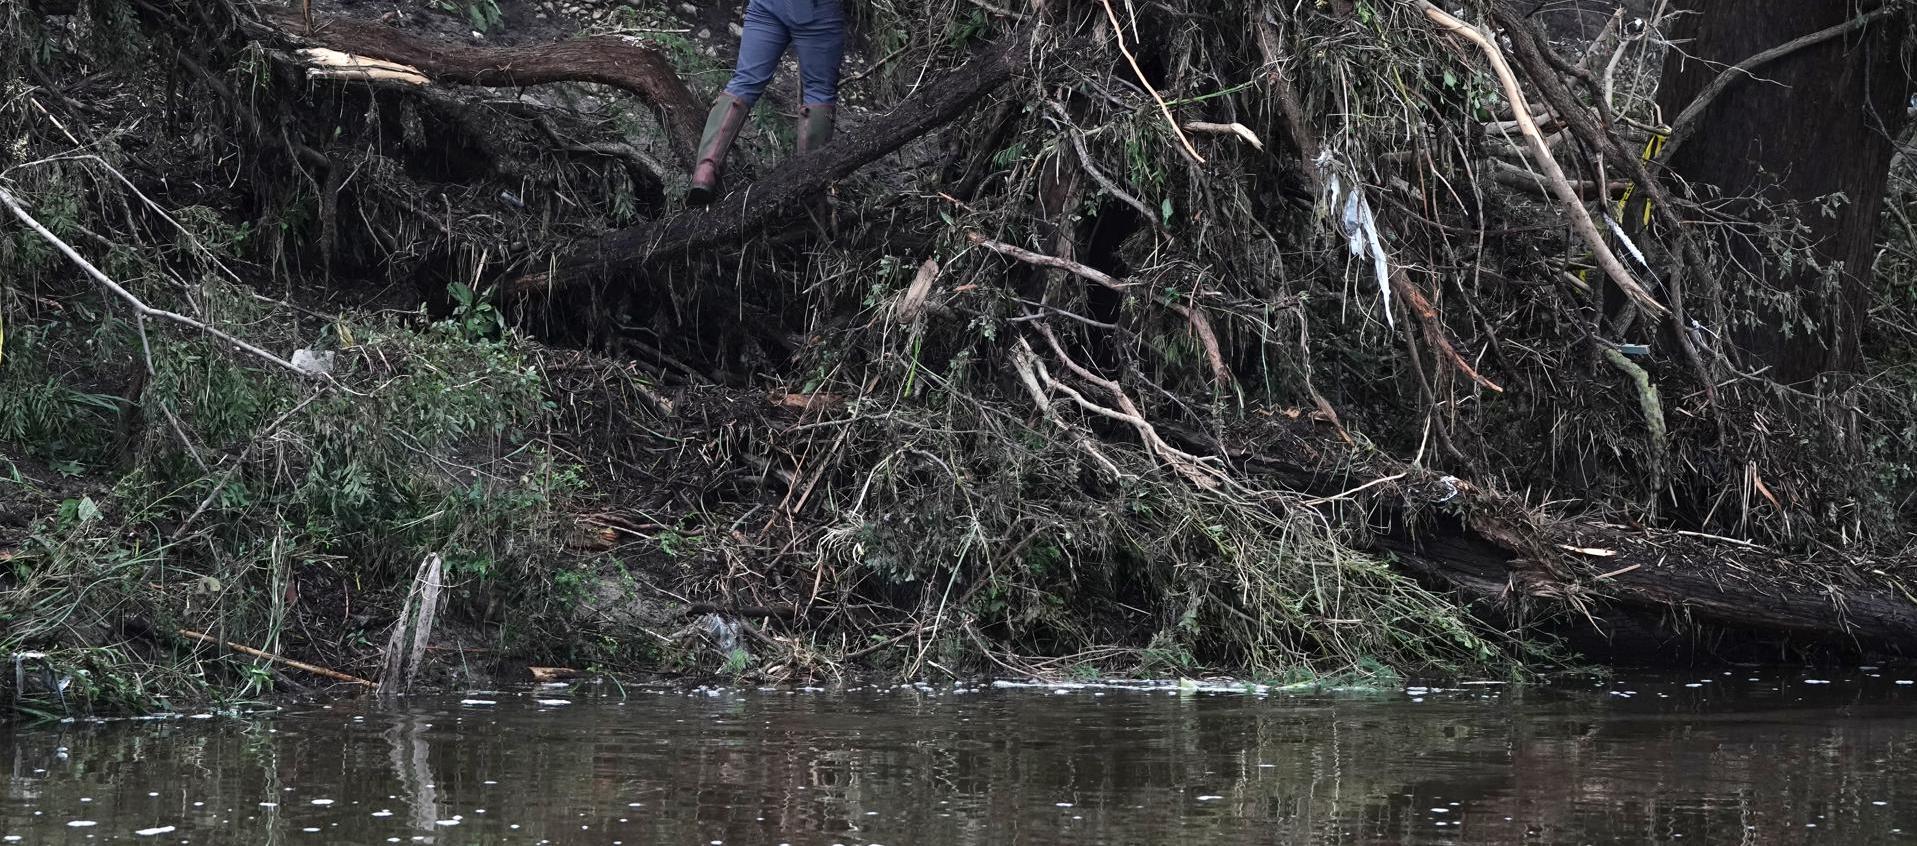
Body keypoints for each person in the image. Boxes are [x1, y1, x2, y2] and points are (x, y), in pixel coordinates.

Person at [685, 0, 846, 206]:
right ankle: (808, 189)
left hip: (767, 4)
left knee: (745, 82)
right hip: (815, 8)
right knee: (819, 91)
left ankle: (704, 172)